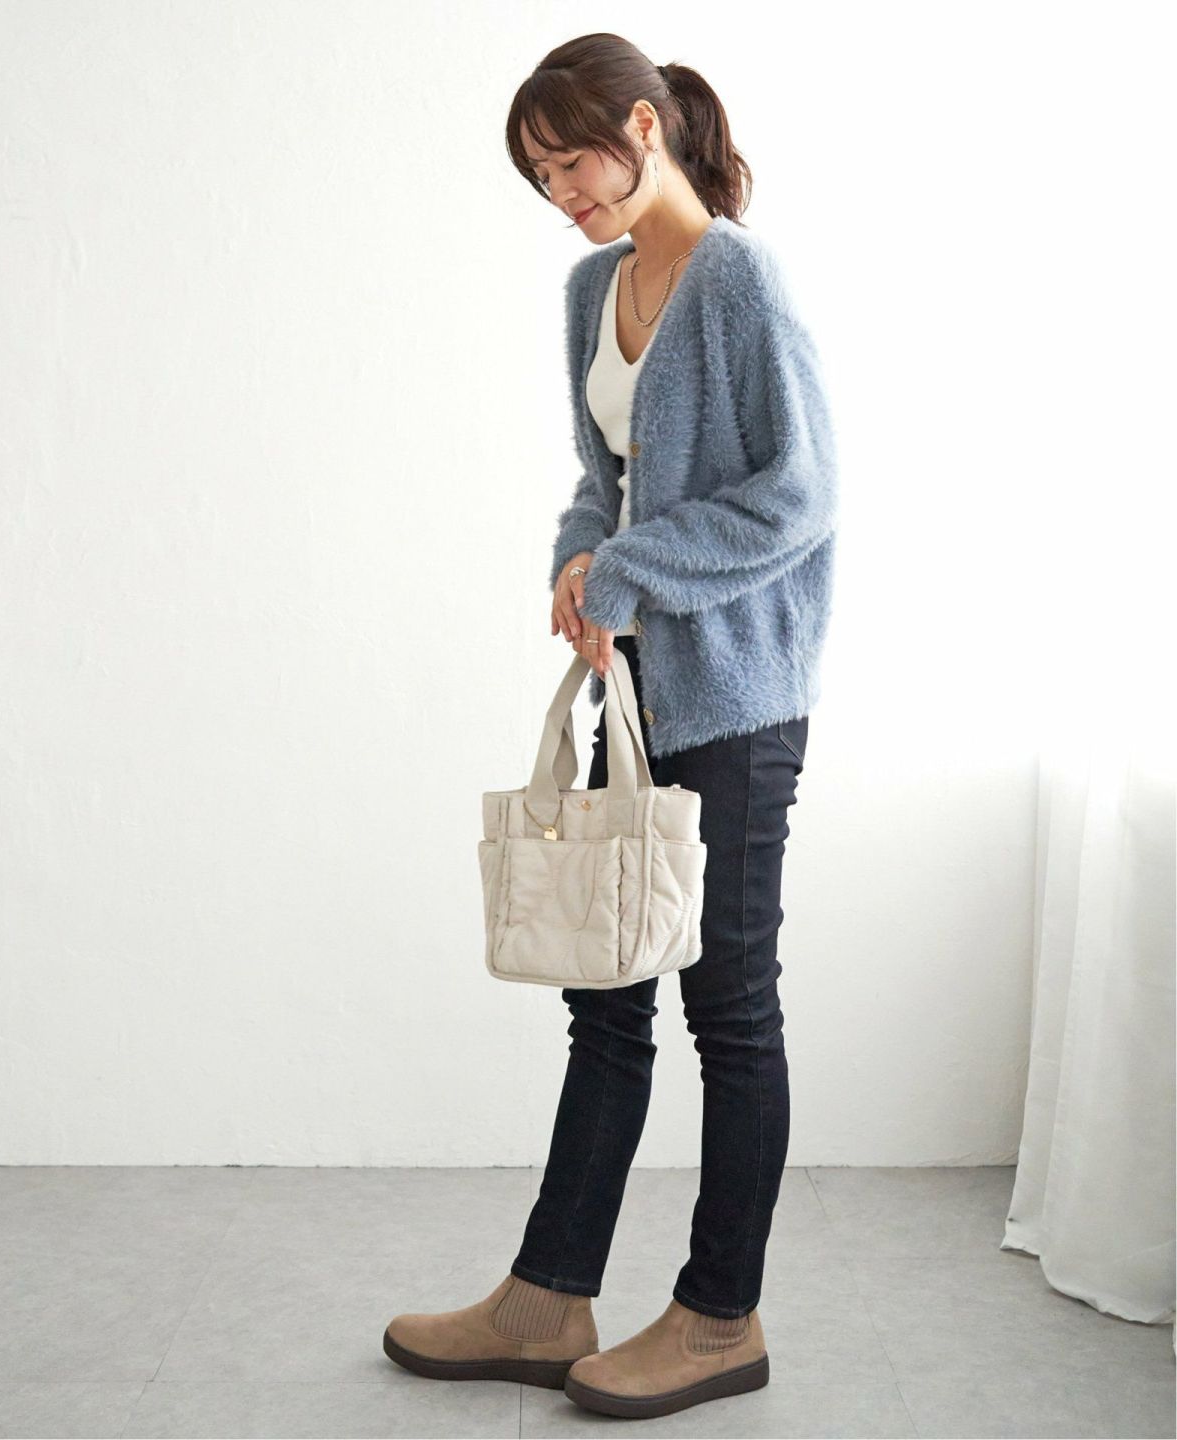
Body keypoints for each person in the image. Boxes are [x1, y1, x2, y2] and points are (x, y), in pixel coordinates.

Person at [384, 32, 837, 1422]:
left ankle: (719, 1319)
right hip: (636, 693)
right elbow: (607, 476)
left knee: (729, 1009)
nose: (560, 195)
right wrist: (580, 558)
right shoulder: (595, 287)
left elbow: (799, 497)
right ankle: (549, 1295)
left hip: (741, 696)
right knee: (607, 994)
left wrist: (631, 569)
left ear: (644, 128)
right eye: (539, 178)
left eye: (570, 162)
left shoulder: (740, 279)